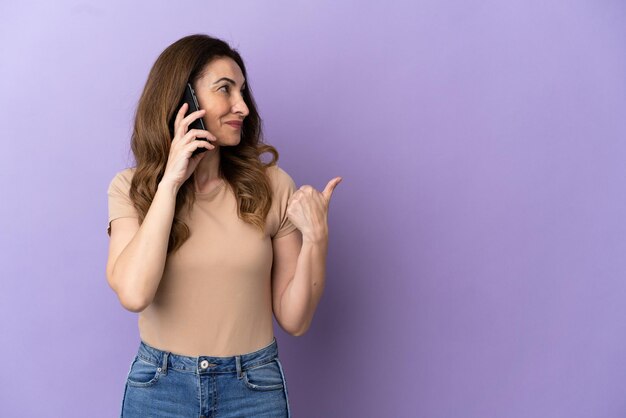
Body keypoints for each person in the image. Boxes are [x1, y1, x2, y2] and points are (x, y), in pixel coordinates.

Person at [105, 34, 341, 417]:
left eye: (243, 92)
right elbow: (134, 294)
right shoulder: (131, 189)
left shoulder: (273, 185)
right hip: (160, 387)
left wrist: (317, 239)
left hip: (252, 386)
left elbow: (295, 320)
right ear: (185, 100)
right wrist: (170, 185)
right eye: (225, 90)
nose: (242, 107)